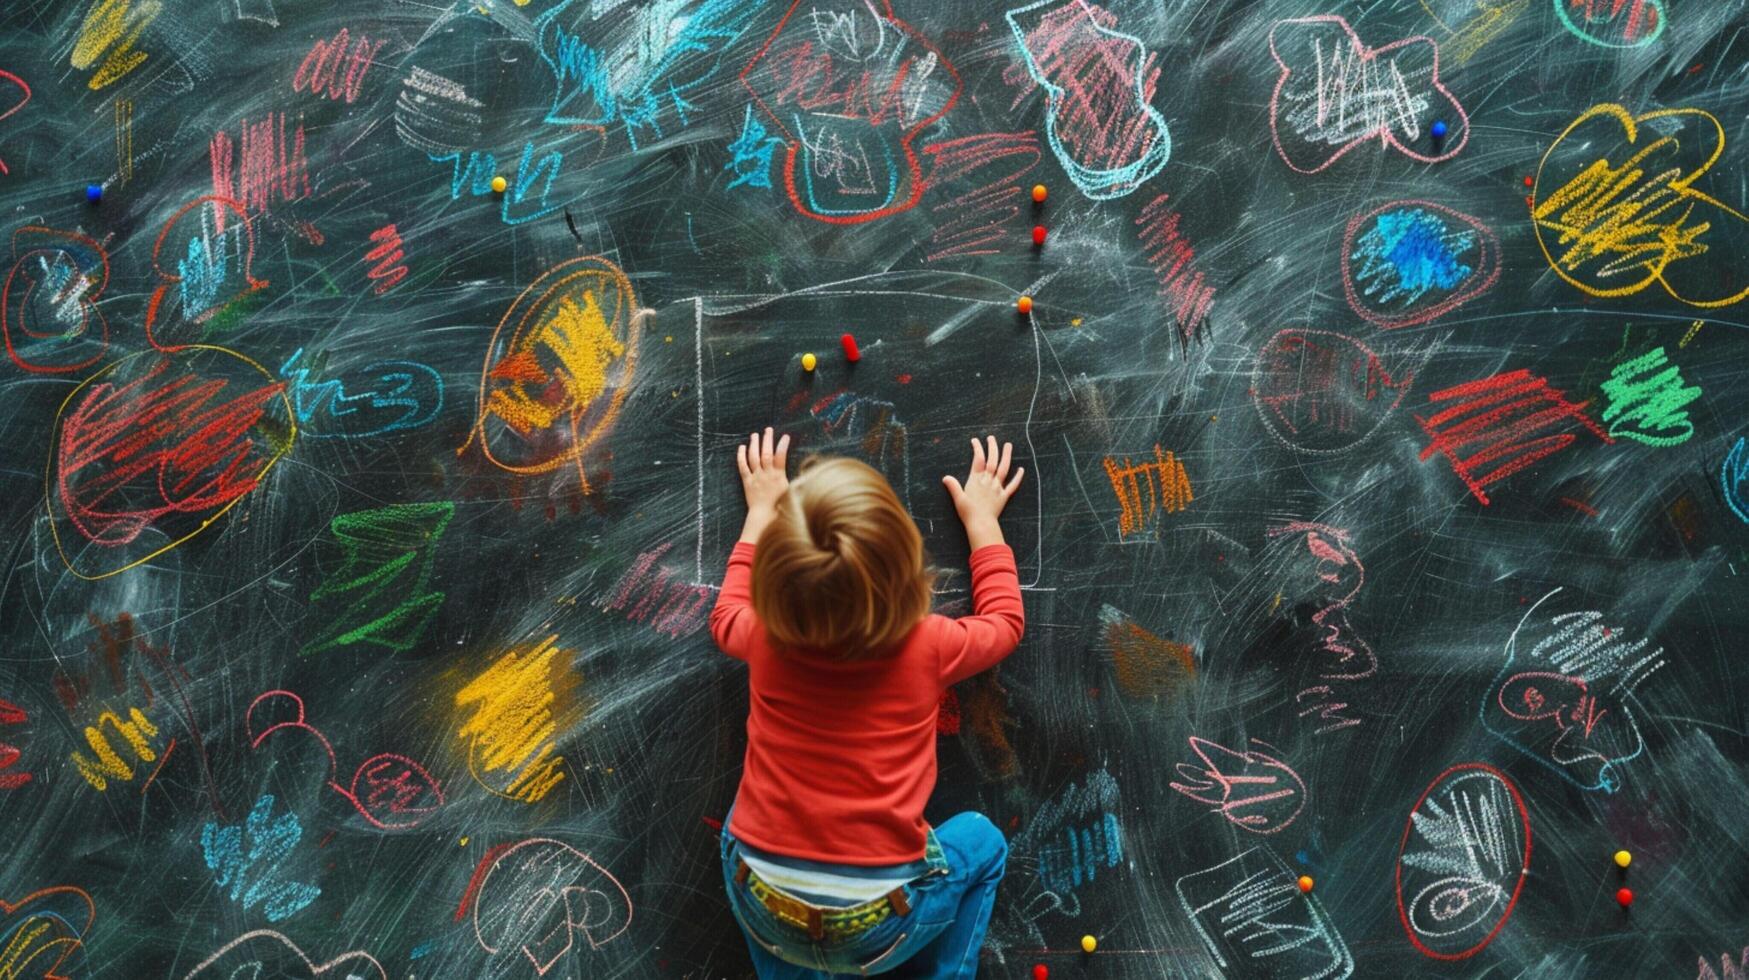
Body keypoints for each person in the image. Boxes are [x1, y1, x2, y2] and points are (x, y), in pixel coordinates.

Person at [711, 428, 1027, 978]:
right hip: (882, 932)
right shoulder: (927, 643)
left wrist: (762, 510)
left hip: (763, 909)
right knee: (982, 841)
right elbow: (1003, 624)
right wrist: (982, 521)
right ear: (907, 571)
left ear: (773, 581)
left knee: (742, 822)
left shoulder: (763, 635)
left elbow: (725, 615)